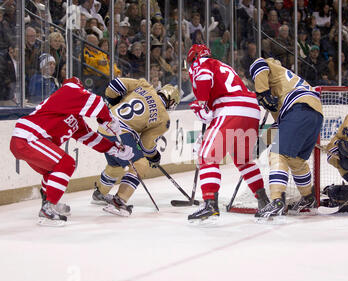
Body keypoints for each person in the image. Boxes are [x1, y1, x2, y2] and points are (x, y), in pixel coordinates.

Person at [9, 76, 133, 226]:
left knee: (52, 171)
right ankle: (48, 209)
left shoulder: (74, 117)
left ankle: (48, 204)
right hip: (29, 137)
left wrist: (114, 149)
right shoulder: (66, 91)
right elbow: (97, 103)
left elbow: (89, 137)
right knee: (65, 163)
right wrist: (110, 119)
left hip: (31, 140)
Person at [186, 44, 269, 223]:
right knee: (244, 160)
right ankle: (264, 201)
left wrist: (201, 102)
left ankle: (210, 204)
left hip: (232, 109)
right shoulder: (223, 65)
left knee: (207, 156)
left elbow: (204, 77)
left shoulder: (201, 64)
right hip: (251, 109)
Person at [92, 78, 180, 216]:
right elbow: (146, 146)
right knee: (140, 165)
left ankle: (100, 193)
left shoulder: (145, 85)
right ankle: (119, 201)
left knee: (115, 165)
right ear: (171, 102)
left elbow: (115, 85)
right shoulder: (163, 119)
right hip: (120, 132)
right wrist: (154, 157)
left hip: (104, 126)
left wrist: (113, 103)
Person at [249, 57, 323, 219]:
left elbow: (258, 64)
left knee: (277, 153)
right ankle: (309, 198)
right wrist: (261, 144)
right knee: (295, 160)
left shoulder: (270, 68)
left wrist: (262, 93)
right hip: (315, 112)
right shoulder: (284, 89)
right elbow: (281, 127)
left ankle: (276, 201)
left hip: (299, 107)